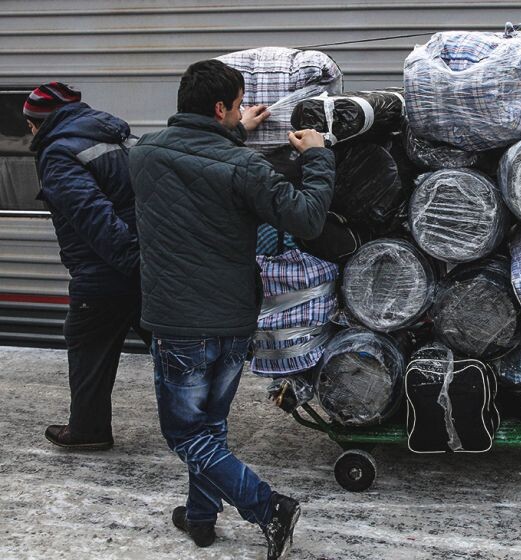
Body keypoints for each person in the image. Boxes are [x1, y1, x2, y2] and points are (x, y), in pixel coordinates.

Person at [129, 60, 335, 558]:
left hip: (179, 323)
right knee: (207, 429)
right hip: (231, 320)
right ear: (222, 108)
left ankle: (268, 508)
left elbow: (197, 170)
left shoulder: (143, 154)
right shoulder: (243, 167)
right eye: (239, 105)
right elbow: (307, 217)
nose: (243, 112)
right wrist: (319, 157)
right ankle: (201, 517)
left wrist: (233, 134)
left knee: (186, 433)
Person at [25, 82, 150, 451]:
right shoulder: (119, 135)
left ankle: (88, 431)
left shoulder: (59, 152)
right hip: (143, 263)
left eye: (29, 124)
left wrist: (133, 265)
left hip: (107, 272)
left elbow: (93, 216)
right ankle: (199, 425)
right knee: (169, 350)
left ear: (39, 122)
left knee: (88, 346)